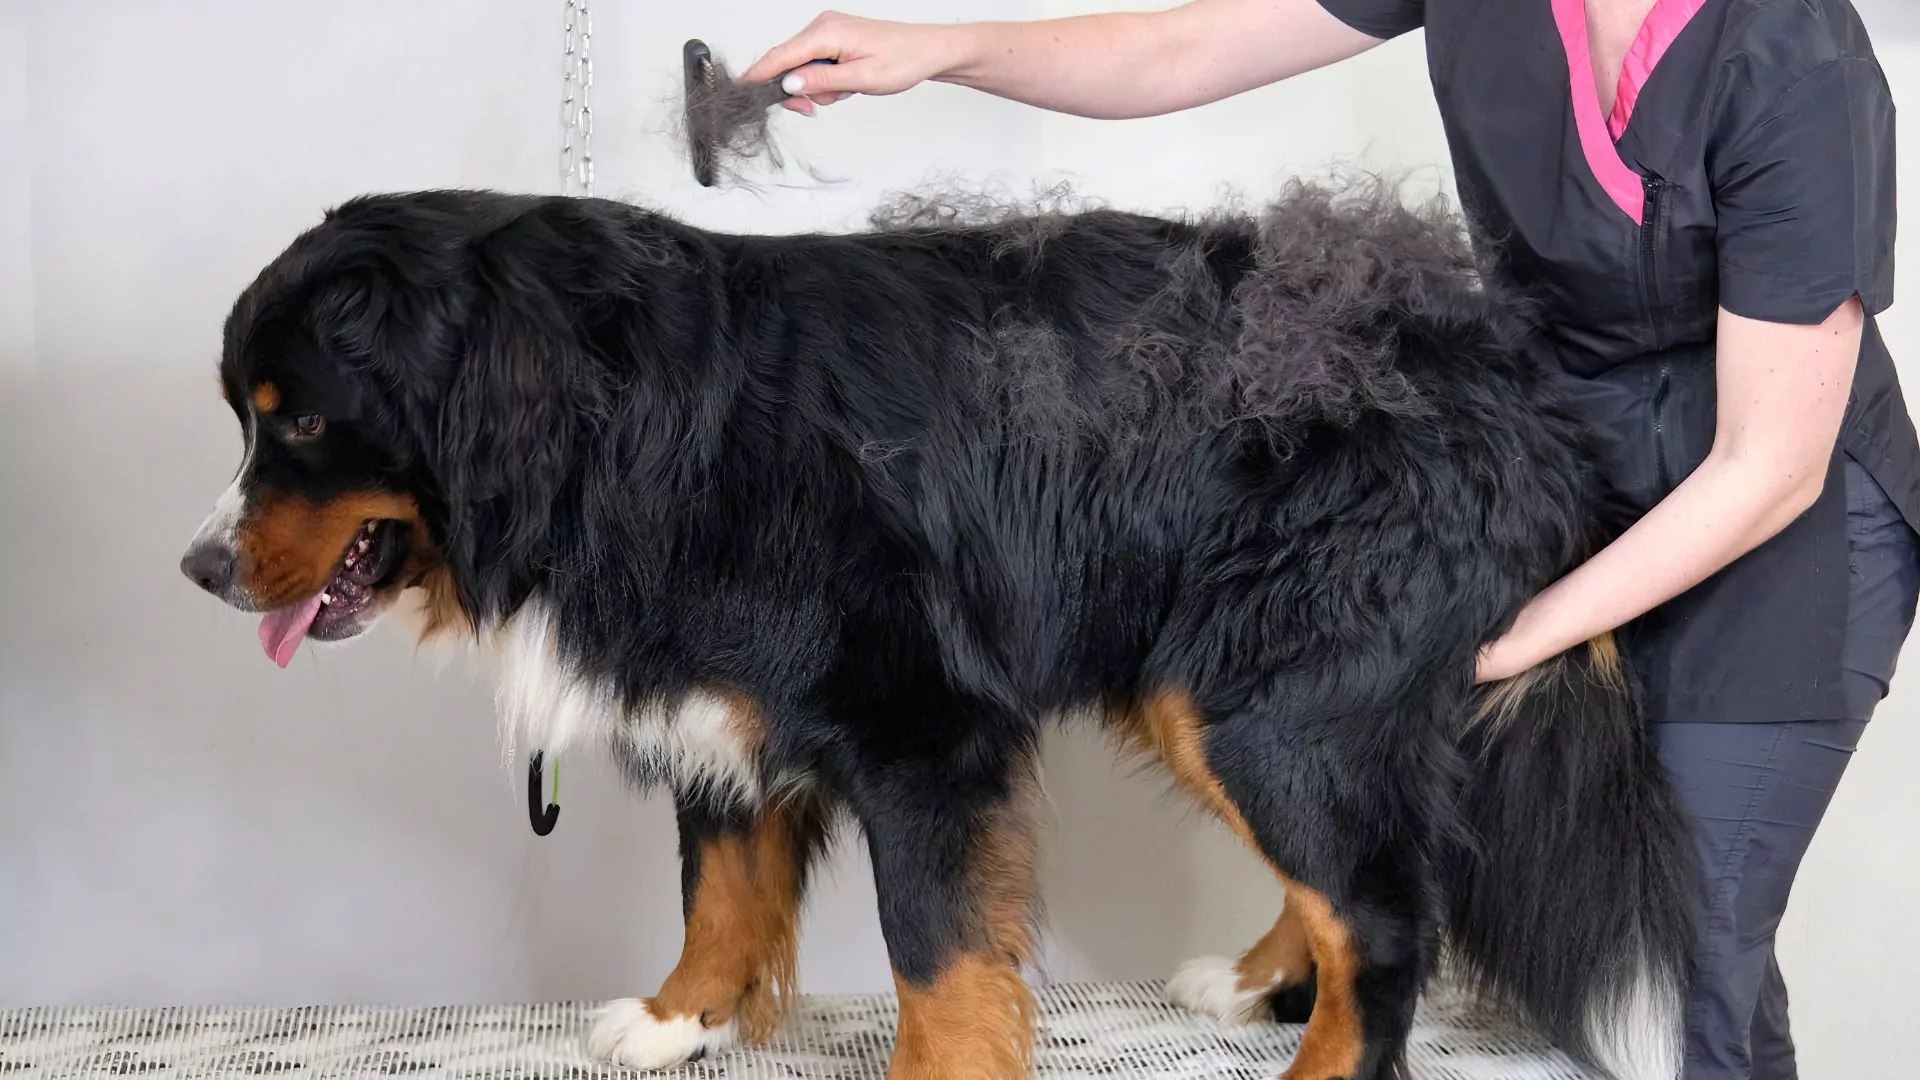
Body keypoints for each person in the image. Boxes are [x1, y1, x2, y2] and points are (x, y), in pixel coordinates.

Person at [740, 4, 1918, 1079]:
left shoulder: (1791, 56)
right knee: (1566, 957)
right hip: (1566, 481)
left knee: (1687, 960)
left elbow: (1771, 466)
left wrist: (1506, 642)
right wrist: (945, 50)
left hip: (1775, 548)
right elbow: (1181, 53)